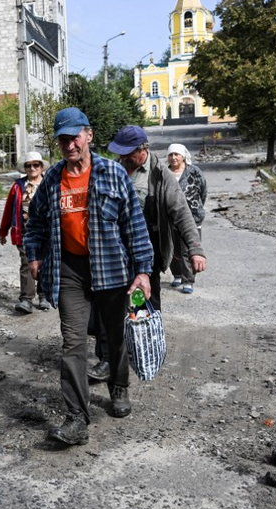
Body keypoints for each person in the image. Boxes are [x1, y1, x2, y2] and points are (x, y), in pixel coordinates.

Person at [23, 108, 154, 445]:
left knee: (115, 334)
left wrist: (143, 271)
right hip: (70, 270)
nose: (69, 145)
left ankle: (119, 388)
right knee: (73, 343)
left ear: (89, 135)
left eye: (74, 137)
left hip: (111, 268)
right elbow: (35, 221)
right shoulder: (52, 179)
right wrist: (35, 255)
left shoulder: (113, 173)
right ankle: (76, 418)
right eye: (63, 139)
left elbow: (134, 225)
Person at [87, 126, 207, 383]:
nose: (122, 158)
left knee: (142, 306)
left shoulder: (160, 175)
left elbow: (182, 214)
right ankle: (107, 359)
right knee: (105, 305)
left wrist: (195, 250)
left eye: (127, 153)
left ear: (143, 150)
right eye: (119, 153)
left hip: (146, 253)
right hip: (113, 252)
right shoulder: (112, 170)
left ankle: (144, 352)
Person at [0, 151, 51, 314]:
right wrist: (3, 231)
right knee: (26, 263)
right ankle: (27, 299)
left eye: (36, 165)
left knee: (44, 263)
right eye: (28, 165)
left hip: (46, 233)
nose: (32, 168)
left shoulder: (49, 184)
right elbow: (8, 210)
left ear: (41, 167)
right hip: (24, 233)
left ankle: (43, 296)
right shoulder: (18, 186)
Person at [166, 143, 207, 294]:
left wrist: (196, 208)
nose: (174, 157)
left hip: (191, 217)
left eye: (176, 154)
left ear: (183, 156)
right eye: (171, 154)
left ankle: (188, 280)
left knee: (188, 249)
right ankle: (177, 274)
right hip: (170, 218)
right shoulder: (164, 173)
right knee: (172, 248)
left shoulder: (194, 171)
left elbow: (203, 190)